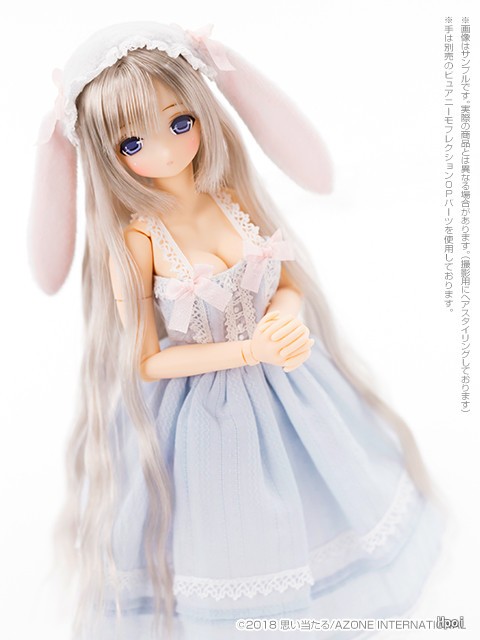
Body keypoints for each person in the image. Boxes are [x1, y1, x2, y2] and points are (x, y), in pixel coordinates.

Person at [28, 21, 446, 640]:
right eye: (132, 142)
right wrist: (247, 349)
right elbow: (145, 361)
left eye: (179, 122)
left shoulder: (229, 198)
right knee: (229, 525)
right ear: (108, 154)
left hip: (290, 379)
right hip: (202, 415)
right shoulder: (140, 240)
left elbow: (287, 283)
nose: (166, 151)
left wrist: (286, 318)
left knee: (323, 483)